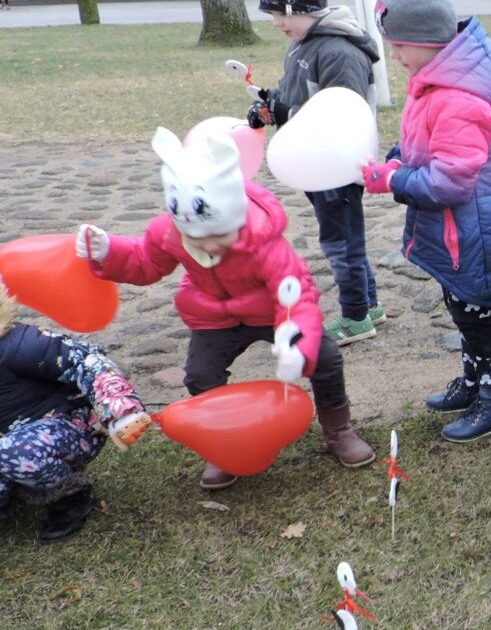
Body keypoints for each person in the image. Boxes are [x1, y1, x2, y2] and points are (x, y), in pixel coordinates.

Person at [80, 129, 374, 488]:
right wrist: (108, 252)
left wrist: (297, 345)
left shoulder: (265, 242)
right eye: (197, 239)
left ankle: (338, 428)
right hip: (214, 317)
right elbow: (145, 262)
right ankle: (222, 439)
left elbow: (296, 298)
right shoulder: (170, 232)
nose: (208, 246)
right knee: (200, 376)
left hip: (270, 312)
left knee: (325, 357)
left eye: (219, 236)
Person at [362, 0, 491, 442]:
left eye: (399, 45)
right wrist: (398, 158)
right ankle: (473, 383)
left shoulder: (456, 99)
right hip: (460, 232)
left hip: (478, 235)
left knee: (476, 317)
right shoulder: (434, 86)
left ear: (427, 41)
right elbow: (425, 148)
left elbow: (450, 182)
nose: (394, 55)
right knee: (462, 310)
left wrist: (394, 180)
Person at [247, 0, 384, 346]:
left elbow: (342, 115)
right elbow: (295, 94)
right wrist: (270, 105)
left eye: (279, 14)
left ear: (300, 6)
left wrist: (288, 113)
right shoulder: (304, 44)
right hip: (315, 161)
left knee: (341, 243)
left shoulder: (339, 52)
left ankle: (356, 316)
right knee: (344, 237)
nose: (276, 23)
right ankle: (369, 305)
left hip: (337, 165)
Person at [0, 290, 151, 541]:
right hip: (18, 434)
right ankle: (10, 493)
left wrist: (121, 410)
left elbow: (87, 361)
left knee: (12, 453)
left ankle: (70, 494)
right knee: (9, 453)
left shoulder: (19, 344)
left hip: (71, 425)